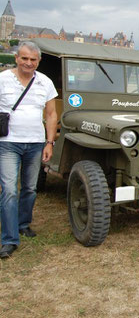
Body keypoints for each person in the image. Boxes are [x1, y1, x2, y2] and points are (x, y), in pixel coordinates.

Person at [0, 41, 58, 259]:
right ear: (16, 58)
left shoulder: (45, 82)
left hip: (35, 142)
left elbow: (51, 114)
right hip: (7, 142)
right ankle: (9, 238)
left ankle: (23, 223)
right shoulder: (3, 79)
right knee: (9, 189)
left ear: (38, 61)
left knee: (30, 188)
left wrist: (49, 142)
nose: (28, 63)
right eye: (24, 58)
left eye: (33, 60)